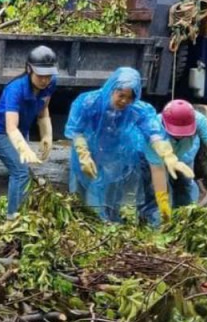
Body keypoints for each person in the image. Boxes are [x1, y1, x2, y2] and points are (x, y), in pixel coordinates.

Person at [65, 67, 193, 222]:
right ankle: (79, 222)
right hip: (87, 151)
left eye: (130, 98)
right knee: (81, 191)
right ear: (112, 89)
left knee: (110, 193)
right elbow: (77, 130)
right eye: (121, 95)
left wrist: (168, 155)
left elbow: (153, 132)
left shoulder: (138, 110)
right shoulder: (88, 102)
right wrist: (83, 154)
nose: (124, 101)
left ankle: (106, 223)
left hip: (114, 155)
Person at [0, 46, 58, 216]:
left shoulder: (51, 83)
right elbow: (10, 127)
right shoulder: (15, 89)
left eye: (48, 75)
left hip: (20, 131)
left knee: (24, 173)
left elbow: (43, 110)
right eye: (40, 75)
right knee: (20, 172)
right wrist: (23, 148)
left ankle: (22, 212)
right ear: (29, 69)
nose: (45, 80)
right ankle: (14, 219)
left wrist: (46, 134)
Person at [139, 99, 207, 224]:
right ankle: (153, 221)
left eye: (184, 132)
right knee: (152, 189)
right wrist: (162, 199)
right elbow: (157, 170)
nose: (181, 135)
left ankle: (183, 218)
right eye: (177, 132)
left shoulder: (199, 120)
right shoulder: (153, 134)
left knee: (184, 183)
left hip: (185, 151)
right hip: (158, 155)